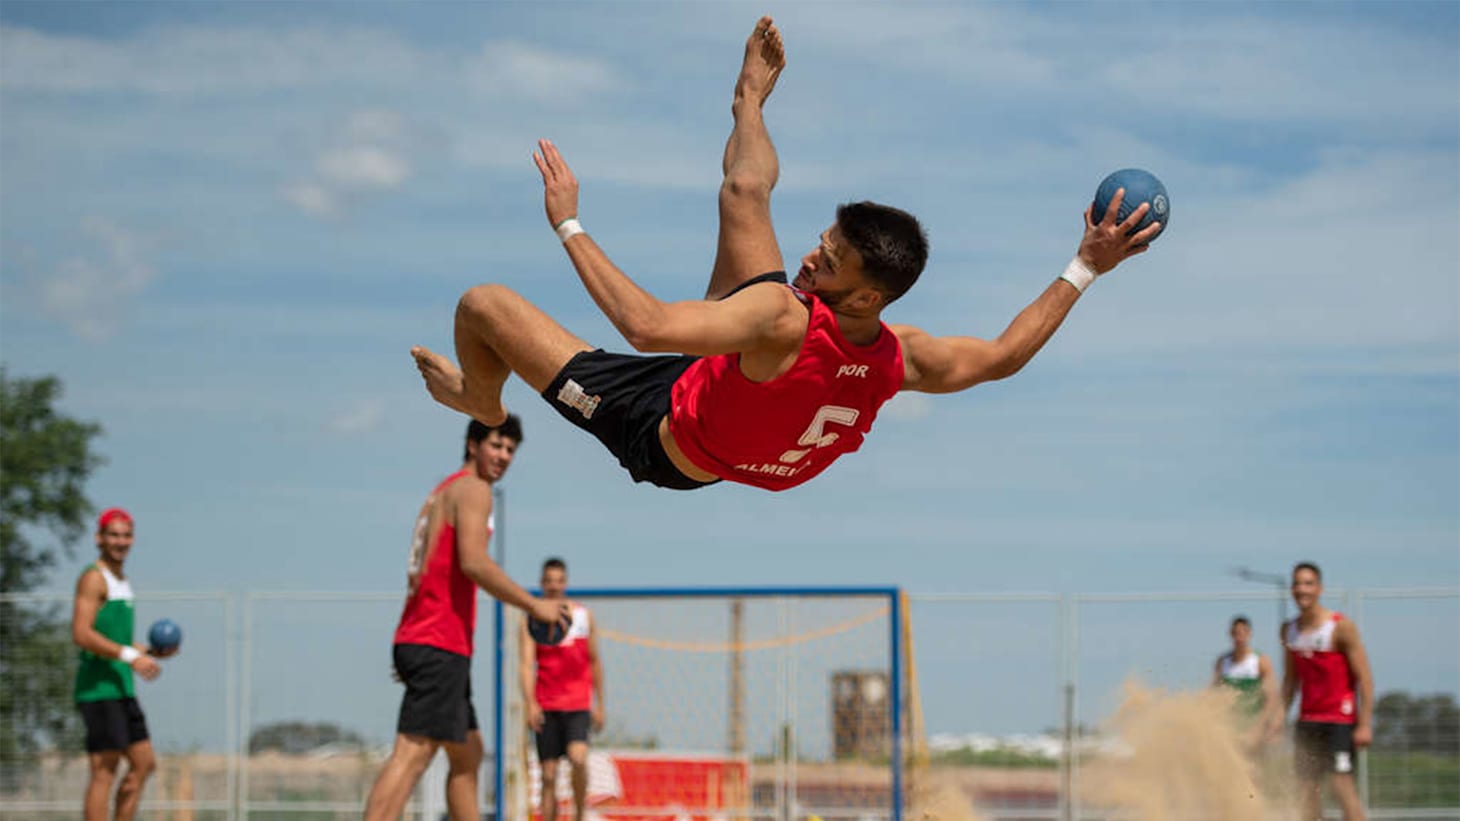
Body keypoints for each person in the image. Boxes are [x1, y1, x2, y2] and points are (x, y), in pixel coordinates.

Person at [411, 15, 1159, 492]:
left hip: (666, 435)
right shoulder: (897, 355)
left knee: (483, 306)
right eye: (821, 243)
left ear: (866, 296)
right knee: (745, 194)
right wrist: (1086, 266)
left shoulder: (779, 316)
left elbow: (644, 327)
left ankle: (482, 401)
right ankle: (748, 102)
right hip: (729, 374)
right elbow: (1002, 356)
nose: (808, 260)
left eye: (828, 263)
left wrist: (569, 223)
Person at [365, 417, 571, 821]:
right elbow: (474, 562)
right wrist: (534, 605)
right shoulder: (474, 489)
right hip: (437, 640)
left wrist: (411, 642)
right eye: (496, 445)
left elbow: (425, 572)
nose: (504, 456)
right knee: (413, 753)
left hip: (427, 638)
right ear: (473, 444)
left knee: (468, 752)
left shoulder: (442, 492)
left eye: (510, 450)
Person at [71, 507, 176, 821]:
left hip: (122, 688)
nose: (121, 541)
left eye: (126, 535)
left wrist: (150, 652)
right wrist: (130, 656)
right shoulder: (94, 578)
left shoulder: (122, 581)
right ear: (99, 538)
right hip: (98, 689)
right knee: (104, 770)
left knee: (144, 764)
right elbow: (81, 633)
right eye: (114, 535)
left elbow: (117, 640)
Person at [1281, 562, 1374, 821]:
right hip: (1308, 720)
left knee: (1340, 785)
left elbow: (1365, 679)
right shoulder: (1289, 630)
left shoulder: (1340, 627)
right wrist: (1277, 718)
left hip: (1339, 721)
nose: (1302, 589)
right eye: (1297, 583)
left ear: (1319, 588)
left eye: (1308, 583)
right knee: (1307, 791)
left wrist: (1364, 724)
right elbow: (1290, 681)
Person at [519, 557, 604, 821]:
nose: (554, 586)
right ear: (542, 583)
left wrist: (601, 704)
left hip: (577, 704)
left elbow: (595, 661)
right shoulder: (531, 621)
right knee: (548, 774)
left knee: (578, 758)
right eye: (549, 581)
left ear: (565, 583)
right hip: (546, 704)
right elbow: (526, 664)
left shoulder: (583, 616)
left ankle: (579, 814)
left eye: (559, 581)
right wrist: (530, 703)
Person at [1211, 614, 1279, 751]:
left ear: (1249, 634)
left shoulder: (1260, 661)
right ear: (1231, 634)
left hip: (1254, 725)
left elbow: (1271, 697)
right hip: (1230, 726)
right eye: (1236, 633)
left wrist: (1262, 727)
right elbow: (1213, 692)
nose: (1239, 637)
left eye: (1243, 632)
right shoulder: (1223, 662)